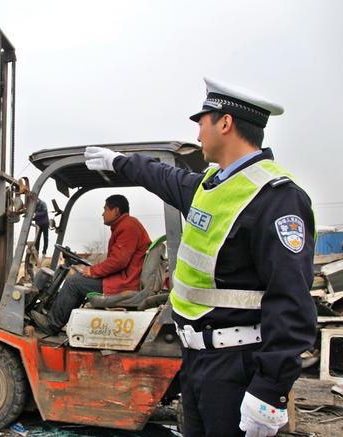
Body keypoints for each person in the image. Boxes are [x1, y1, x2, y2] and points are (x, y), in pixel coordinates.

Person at [84, 78, 316, 437]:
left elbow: (292, 303)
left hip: (237, 366)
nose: (197, 129)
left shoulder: (276, 197)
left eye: (202, 119)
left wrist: (270, 390)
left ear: (225, 123)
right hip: (196, 360)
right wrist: (119, 162)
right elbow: (162, 176)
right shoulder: (211, 185)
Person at [31, 194, 151, 335]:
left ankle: (52, 324)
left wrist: (93, 271)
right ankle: (62, 318)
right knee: (79, 279)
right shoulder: (127, 225)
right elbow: (118, 259)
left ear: (116, 211)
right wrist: (92, 269)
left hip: (125, 282)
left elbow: (119, 261)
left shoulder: (128, 227)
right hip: (125, 278)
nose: (102, 213)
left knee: (73, 283)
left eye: (105, 209)